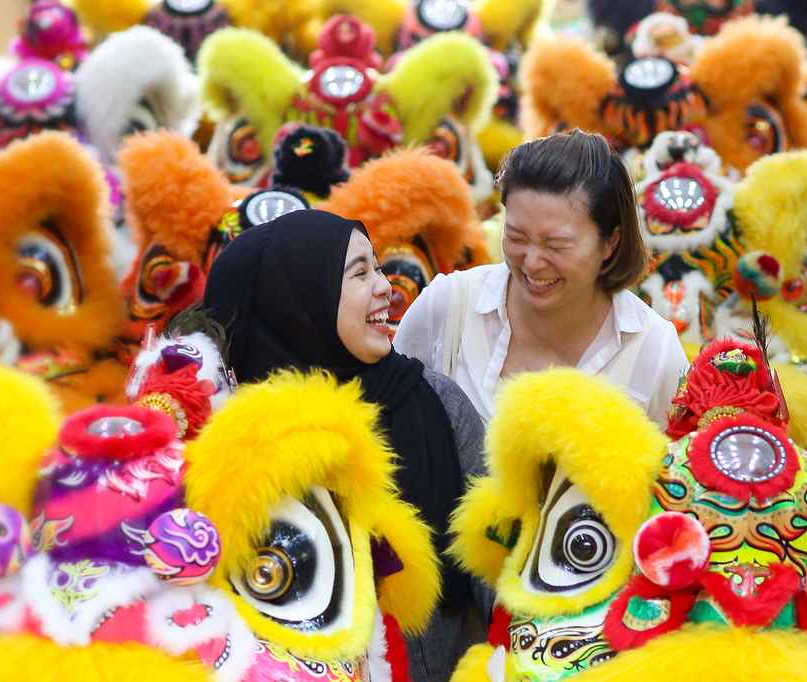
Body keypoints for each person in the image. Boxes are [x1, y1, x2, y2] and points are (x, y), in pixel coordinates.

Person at [203, 210, 490, 682]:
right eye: (360, 273)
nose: (384, 287)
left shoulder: (434, 400)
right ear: (297, 303)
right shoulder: (241, 447)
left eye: (376, 266)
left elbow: (496, 559)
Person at [393, 129, 689, 426]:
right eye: (516, 236)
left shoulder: (654, 352)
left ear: (610, 241)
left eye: (556, 245)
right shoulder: (447, 307)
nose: (532, 263)